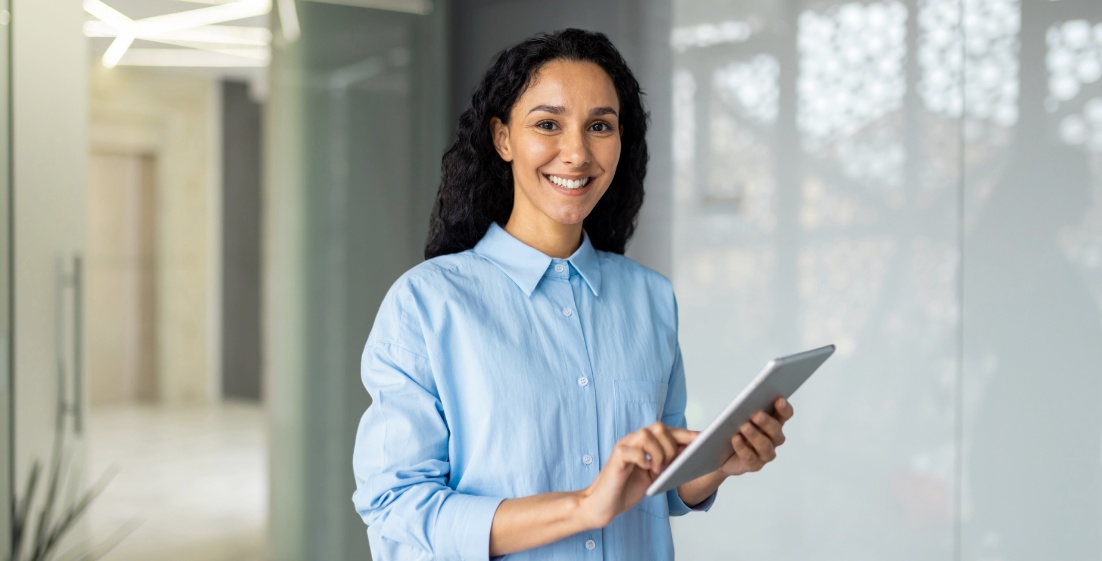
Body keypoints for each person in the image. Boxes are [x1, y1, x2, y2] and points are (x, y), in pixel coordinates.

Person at [352, 28, 794, 560]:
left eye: (600, 126)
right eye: (548, 124)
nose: (578, 152)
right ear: (503, 138)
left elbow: (668, 488)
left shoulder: (650, 298)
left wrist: (721, 463)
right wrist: (585, 506)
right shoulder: (427, 304)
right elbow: (396, 506)